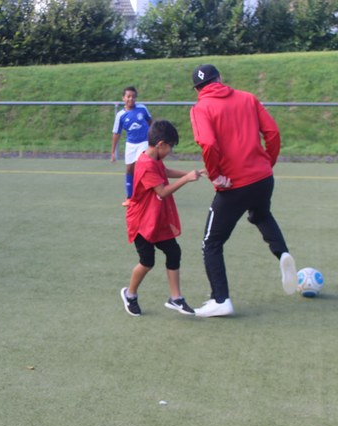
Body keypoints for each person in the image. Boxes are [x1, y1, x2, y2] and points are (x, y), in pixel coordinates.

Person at [188, 64, 297, 317]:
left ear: (197, 89)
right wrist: (268, 162)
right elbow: (272, 132)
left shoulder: (200, 108)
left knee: (211, 243)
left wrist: (216, 175)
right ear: (220, 78)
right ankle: (282, 254)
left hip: (233, 184)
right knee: (261, 215)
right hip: (262, 178)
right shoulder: (248, 98)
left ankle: (220, 299)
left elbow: (208, 143)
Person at [120, 119, 206, 317]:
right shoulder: (146, 164)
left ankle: (176, 298)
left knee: (173, 252)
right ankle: (130, 294)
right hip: (142, 222)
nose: (170, 151)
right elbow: (162, 191)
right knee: (147, 262)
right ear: (160, 144)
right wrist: (186, 179)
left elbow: (165, 172)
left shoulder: (153, 158)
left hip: (156, 218)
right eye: (170, 147)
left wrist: (190, 173)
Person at [111, 86, 152, 206]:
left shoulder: (142, 108)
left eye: (133, 97)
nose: (131, 99)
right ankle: (129, 197)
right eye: (128, 96)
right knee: (129, 169)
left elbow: (151, 122)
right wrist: (113, 152)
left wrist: (155, 136)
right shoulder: (120, 115)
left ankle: (146, 194)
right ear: (123, 98)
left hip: (144, 142)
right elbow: (116, 133)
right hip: (130, 144)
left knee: (142, 166)